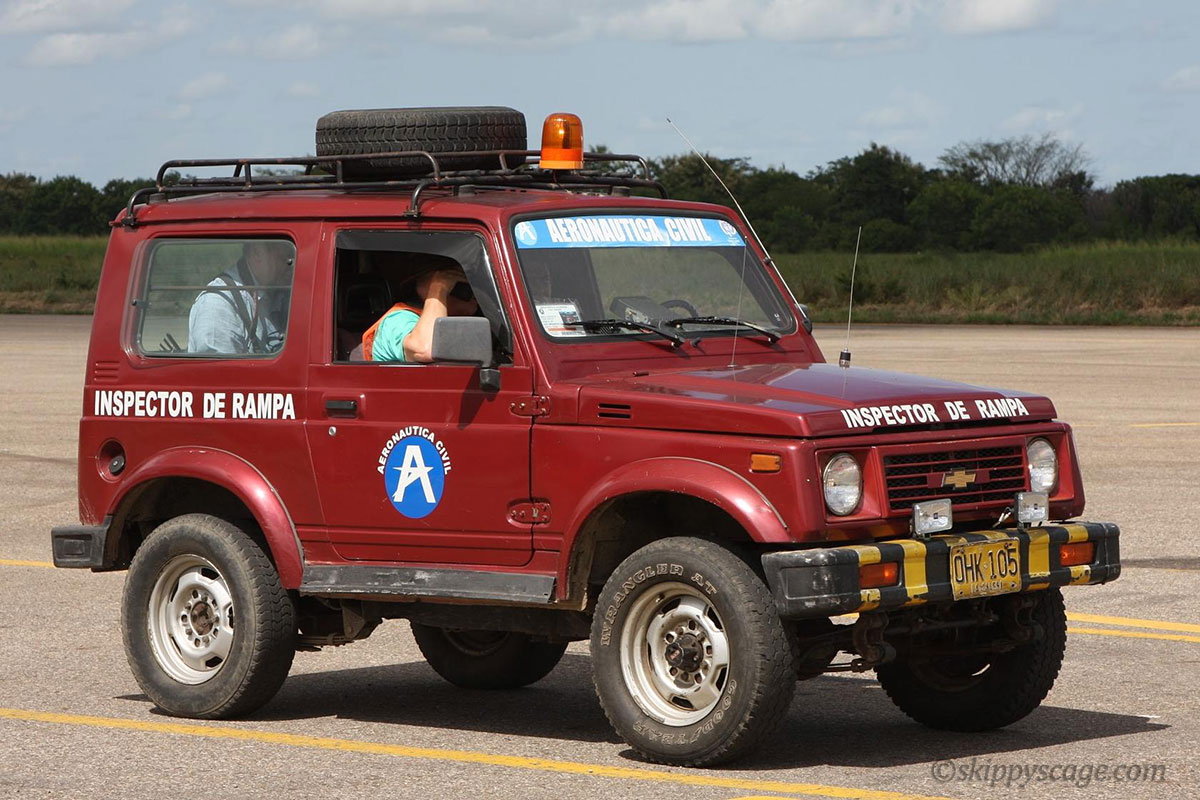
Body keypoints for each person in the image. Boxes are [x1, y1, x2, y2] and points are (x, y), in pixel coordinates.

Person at [188, 240, 293, 354]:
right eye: (285, 260)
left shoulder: (280, 292)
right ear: (258, 252)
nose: (292, 267)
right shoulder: (218, 305)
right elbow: (220, 365)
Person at [363, 266, 479, 362]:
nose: (472, 291)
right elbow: (426, 349)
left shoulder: (454, 323)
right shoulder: (398, 319)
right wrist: (439, 287)